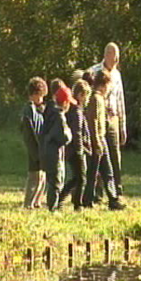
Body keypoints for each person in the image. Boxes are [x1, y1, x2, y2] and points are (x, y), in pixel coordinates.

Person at [84, 70, 125, 211]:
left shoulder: (100, 99)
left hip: (101, 139)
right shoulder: (95, 99)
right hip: (98, 141)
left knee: (107, 172)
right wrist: (96, 142)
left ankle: (113, 199)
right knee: (93, 173)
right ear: (103, 84)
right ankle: (87, 200)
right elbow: (93, 121)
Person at [90, 43, 127, 198]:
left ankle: (117, 189)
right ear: (106, 55)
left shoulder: (117, 75)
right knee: (98, 153)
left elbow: (120, 100)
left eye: (117, 56)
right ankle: (97, 191)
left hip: (113, 118)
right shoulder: (94, 71)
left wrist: (122, 125)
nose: (116, 59)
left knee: (115, 154)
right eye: (113, 55)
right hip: (99, 117)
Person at [59, 79, 92, 211]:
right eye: (86, 95)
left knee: (77, 177)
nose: (86, 99)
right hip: (75, 150)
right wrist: (80, 150)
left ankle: (64, 199)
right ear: (80, 95)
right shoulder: (77, 111)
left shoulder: (73, 110)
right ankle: (75, 203)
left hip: (72, 149)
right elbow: (77, 132)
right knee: (80, 178)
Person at [40, 85, 74, 212]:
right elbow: (65, 137)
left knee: (51, 180)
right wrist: (70, 133)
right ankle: (53, 208)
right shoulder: (59, 116)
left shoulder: (49, 111)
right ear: (65, 103)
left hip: (46, 151)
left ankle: (52, 205)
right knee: (56, 181)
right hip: (55, 153)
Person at [21, 77, 48, 209]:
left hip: (38, 148)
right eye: (41, 96)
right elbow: (34, 131)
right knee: (35, 176)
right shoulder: (29, 110)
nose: (42, 99)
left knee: (41, 176)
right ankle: (28, 203)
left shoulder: (35, 109)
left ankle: (37, 201)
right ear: (35, 94)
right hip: (35, 148)